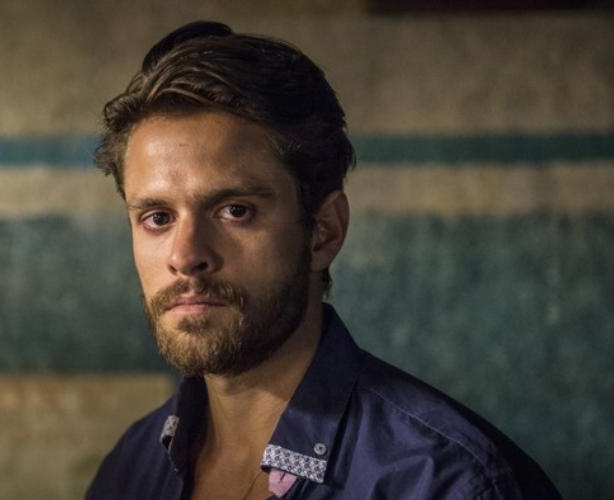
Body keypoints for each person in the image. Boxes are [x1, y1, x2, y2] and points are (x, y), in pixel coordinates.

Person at [86, 21, 561, 500]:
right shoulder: (131, 469)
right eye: (157, 218)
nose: (186, 256)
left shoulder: (445, 481)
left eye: (235, 211)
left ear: (323, 230)